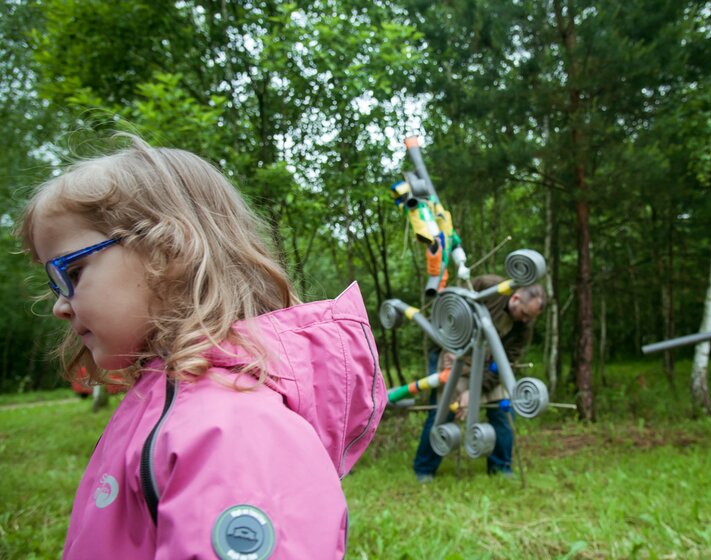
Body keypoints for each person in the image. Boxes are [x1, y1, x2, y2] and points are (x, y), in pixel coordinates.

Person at [18, 135, 386, 559]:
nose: (60, 305)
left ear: (167, 251)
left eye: (71, 272)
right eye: (53, 284)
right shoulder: (164, 400)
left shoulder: (233, 428)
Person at [413, 275, 546, 482]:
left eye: (530, 318)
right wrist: (446, 346)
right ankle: (424, 469)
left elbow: (503, 365)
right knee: (442, 412)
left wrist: (474, 392)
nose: (525, 320)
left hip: (486, 369)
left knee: (502, 412)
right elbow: (452, 307)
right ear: (516, 298)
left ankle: (501, 468)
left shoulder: (523, 328)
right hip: (453, 356)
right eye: (524, 314)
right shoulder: (489, 288)